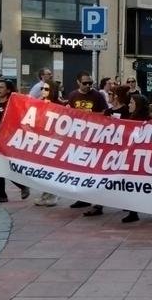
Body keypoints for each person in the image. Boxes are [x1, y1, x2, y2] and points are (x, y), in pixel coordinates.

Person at [83, 85, 131, 217]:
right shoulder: (108, 112)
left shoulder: (126, 111)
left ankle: (128, 204)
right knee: (101, 177)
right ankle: (97, 205)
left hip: (122, 150)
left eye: (110, 93)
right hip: (108, 150)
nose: (108, 95)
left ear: (116, 96)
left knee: (122, 178)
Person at [65, 71, 108, 209]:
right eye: (85, 83)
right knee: (78, 168)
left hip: (94, 137)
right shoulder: (72, 95)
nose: (88, 85)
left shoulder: (97, 95)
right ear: (78, 82)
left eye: (90, 83)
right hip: (78, 137)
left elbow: (105, 113)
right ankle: (81, 198)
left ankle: (94, 197)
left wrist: (90, 115)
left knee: (92, 168)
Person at [0, 80, 30, 204]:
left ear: (8, 90)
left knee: (6, 166)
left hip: (6, 141)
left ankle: (21, 185)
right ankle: (1, 194)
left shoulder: (11, 105)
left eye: (2, 87)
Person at [121, 94, 151, 223]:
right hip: (131, 157)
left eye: (132, 103)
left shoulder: (149, 121)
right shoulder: (129, 119)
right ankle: (133, 211)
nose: (129, 105)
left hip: (143, 158)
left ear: (137, 106)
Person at [33, 80, 61, 207]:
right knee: (43, 169)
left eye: (47, 89)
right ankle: (45, 194)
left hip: (53, 141)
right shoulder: (40, 103)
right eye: (42, 89)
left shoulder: (58, 105)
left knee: (51, 169)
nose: (43, 91)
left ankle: (53, 195)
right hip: (42, 139)